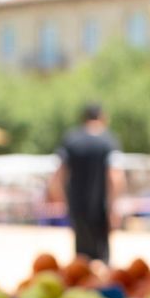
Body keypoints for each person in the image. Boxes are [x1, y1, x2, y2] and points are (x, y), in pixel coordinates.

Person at [52, 103, 125, 263]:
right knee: (102, 262)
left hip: (77, 208)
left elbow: (58, 175)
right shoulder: (108, 141)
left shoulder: (71, 140)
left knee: (81, 261)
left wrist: (62, 200)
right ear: (102, 117)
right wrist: (114, 207)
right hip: (101, 209)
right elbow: (115, 176)